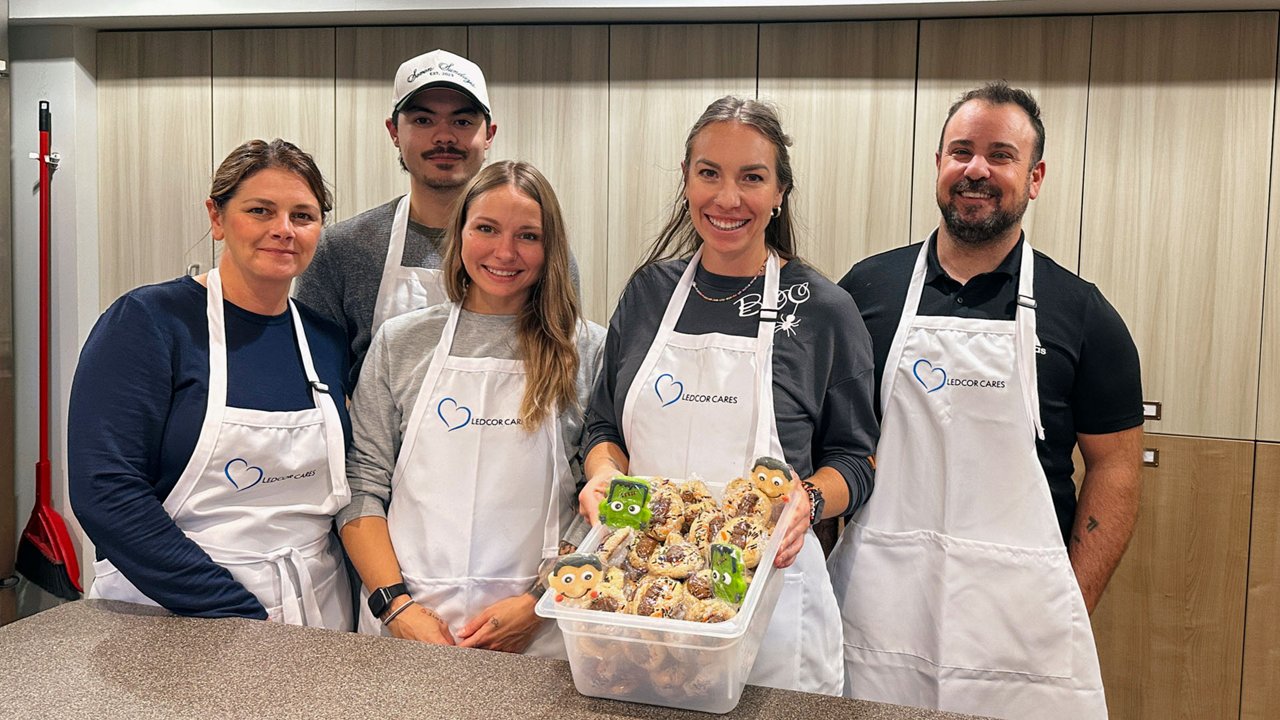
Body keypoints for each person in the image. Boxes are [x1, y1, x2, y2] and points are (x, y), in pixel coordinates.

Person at [829, 83, 1143, 717]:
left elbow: (1116, 467)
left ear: (1035, 177)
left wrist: (1069, 603)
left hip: (1022, 624)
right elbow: (832, 442)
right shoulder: (865, 292)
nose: (976, 169)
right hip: (878, 611)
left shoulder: (1083, 314)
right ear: (939, 166)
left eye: (1000, 154)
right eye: (961, 152)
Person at [579, 96, 878, 696]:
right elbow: (603, 427)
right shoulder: (648, 293)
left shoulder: (821, 310)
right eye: (709, 173)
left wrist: (808, 503)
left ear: (779, 193)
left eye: (752, 177)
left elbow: (858, 459)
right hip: (646, 586)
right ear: (687, 179)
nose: (727, 198)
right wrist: (603, 477)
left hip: (768, 588)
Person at [69, 139, 353, 629]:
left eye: (302, 216)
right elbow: (105, 490)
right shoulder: (149, 322)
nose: (283, 230)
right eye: (260, 210)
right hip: (175, 611)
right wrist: (234, 610)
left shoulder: (324, 339)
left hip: (319, 610)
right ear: (217, 218)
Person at [339, 160, 605, 656]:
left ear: (552, 251)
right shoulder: (402, 343)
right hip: (411, 625)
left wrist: (541, 601)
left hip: (544, 631)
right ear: (459, 234)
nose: (505, 252)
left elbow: (602, 497)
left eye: (528, 236)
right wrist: (397, 608)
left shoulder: (586, 348)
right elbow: (362, 485)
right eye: (486, 228)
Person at [296, 48, 578, 387]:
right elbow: (314, 377)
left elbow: (564, 361)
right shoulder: (341, 250)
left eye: (462, 121)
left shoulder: (536, 254)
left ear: (488, 134)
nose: (444, 136)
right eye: (423, 120)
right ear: (394, 132)